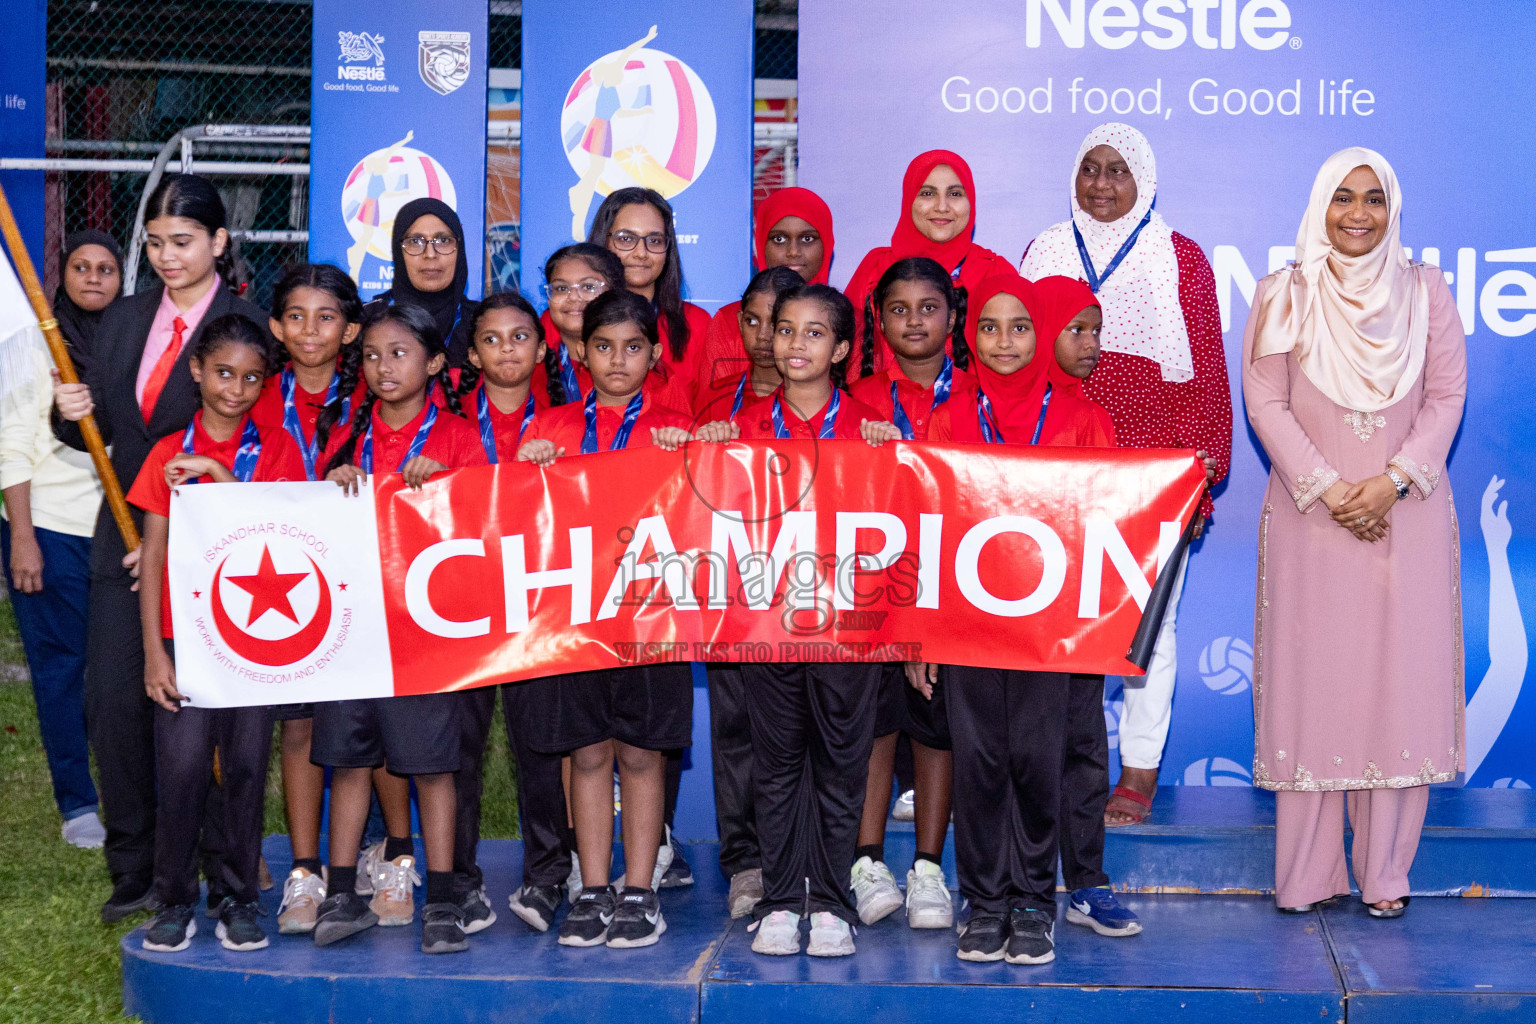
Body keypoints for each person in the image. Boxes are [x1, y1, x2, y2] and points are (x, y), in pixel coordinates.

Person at [1243, 147, 1465, 918]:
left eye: (1374, 199)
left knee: (1397, 687)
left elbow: (1447, 395)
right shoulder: (1283, 293)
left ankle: (1385, 876)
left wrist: (1392, 481)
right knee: (1319, 687)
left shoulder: (1426, 291)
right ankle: (1307, 875)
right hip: (1315, 516)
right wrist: (1333, 490)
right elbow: (1265, 401)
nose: (1359, 214)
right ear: (1320, 207)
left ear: (1393, 208)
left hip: (1406, 511)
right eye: (1343, 198)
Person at [52, 173, 270, 923]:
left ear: (219, 242)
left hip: (219, 547)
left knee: (206, 716)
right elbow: (105, 428)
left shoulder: (250, 327)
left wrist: (180, 540)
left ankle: (218, 864)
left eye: (182, 242)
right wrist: (67, 410)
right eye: (153, 243)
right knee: (115, 703)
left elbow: (263, 438)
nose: (166, 256)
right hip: (124, 531)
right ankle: (136, 867)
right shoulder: (123, 319)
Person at [1019, 123, 1232, 825]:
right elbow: (1015, 359)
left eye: (1118, 171)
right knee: (1056, 624)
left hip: (1154, 473)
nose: (1102, 185)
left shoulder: (1181, 257)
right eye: (1090, 168)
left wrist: (1203, 467)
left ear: (1144, 179)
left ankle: (1137, 773)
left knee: (1151, 631)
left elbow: (1204, 369)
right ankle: (1059, 765)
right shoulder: (1046, 248)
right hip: (1060, 468)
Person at [696, 284, 895, 958]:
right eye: (785, 330)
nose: (795, 344)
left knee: (841, 767)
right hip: (764, 629)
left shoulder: (874, 426)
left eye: (815, 333)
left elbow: (910, 521)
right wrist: (704, 449)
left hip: (850, 633)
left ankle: (833, 901)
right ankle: (783, 898)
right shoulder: (739, 429)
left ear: (841, 349)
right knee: (776, 768)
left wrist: (893, 454)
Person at [926, 273, 1107, 967]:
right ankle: (984, 899)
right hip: (971, 627)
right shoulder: (948, 417)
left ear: (1042, 335)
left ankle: (1034, 899)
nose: (1005, 341)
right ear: (970, 337)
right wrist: (929, 632)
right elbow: (932, 527)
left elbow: (1107, 520)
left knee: (1037, 761)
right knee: (980, 763)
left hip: (1051, 630)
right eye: (992, 327)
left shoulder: (1081, 416)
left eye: (1022, 326)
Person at [516, 290, 695, 949]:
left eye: (633, 347)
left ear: (654, 354)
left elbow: (709, 510)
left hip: (655, 619)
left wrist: (695, 453)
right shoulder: (552, 432)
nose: (618, 361)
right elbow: (521, 522)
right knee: (587, 753)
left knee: (643, 755)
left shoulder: (677, 428)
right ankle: (593, 887)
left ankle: (641, 891)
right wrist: (528, 473)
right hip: (576, 620)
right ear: (579, 352)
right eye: (603, 347)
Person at [311, 303, 485, 955]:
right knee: (350, 762)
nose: (386, 367)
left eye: (402, 353)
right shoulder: (346, 437)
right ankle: (339, 894)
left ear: (436, 363)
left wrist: (447, 487)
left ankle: (441, 900)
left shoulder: (459, 438)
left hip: (425, 636)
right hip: (353, 631)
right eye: (375, 355)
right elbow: (310, 526)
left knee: (434, 767)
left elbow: (486, 528)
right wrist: (331, 484)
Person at [127, 314, 304, 953]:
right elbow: (152, 554)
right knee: (180, 769)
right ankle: (174, 897)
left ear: (267, 384)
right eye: (224, 373)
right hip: (182, 635)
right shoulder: (165, 453)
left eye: (252, 378)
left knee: (249, 766)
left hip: (253, 640)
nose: (236, 388)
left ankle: (236, 896)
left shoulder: (279, 448)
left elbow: (273, 531)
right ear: (198, 370)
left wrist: (219, 475)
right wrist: (153, 652)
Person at [846, 257, 973, 931]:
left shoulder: (977, 396)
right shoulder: (854, 397)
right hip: (872, 588)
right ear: (877, 318)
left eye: (929, 307)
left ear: (953, 316)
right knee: (874, 724)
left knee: (938, 724)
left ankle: (928, 867)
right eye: (899, 308)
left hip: (955, 588)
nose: (915, 320)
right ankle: (867, 861)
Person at [446, 291, 567, 936]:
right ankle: (460, 881)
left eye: (520, 337)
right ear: (471, 353)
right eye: (490, 339)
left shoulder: (570, 425)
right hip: (463, 607)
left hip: (541, 607)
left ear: (543, 347)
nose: (506, 350)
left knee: (540, 745)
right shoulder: (447, 427)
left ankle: (548, 874)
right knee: (460, 747)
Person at [249, 263, 365, 934]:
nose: (310, 330)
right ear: (275, 326)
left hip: (360, 589)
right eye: (295, 316)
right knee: (296, 726)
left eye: (326, 317)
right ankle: (303, 870)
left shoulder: (374, 397)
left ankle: (377, 858)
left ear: (349, 329)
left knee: (356, 732)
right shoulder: (255, 395)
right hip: (285, 590)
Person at [0, 232, 118, 849]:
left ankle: (128, 794)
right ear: (61, 276)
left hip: (117, 532)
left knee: (117, 674)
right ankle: (78, 802)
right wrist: (22, 536)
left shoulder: (132, 343)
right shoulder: (38, 346)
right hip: (49, 528)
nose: (93, 278)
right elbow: (12, 446)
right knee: (61, 670)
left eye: (106, 268)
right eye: (81, 267)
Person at [843, 150, 1011, 380]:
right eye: (928, 193)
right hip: (881, 412)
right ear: (909, 198)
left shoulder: (995, 273)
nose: (942, 207)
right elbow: (850, 360)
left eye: (954, 193)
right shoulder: (876, 268)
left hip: (976, 413)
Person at [697, 187, 834, 412]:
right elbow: (715, 408)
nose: (793, 252)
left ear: (826, 244)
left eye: (807, 238)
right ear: (761, 243)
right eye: (779, 238)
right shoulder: (728, 318)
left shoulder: (847, 320)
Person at [587, 187, 713, 413]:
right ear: (603, 241)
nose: (641, 253)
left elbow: (708, 418)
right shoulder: (572, 321)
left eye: (654, 240)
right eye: (626, 239)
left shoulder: (697, 324)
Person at [368, 197, 477, 367]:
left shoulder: (482, 324)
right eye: (415, 241)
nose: (430, 254)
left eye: (443, 240)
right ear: (399, 252)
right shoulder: (367, 319)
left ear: (460, 249)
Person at [532, 242, 627, 404]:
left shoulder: (640, 369)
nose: (574, 297)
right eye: (561, 288)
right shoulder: (529, 371)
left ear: (615, 294)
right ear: (548, 297)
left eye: (588, 287)